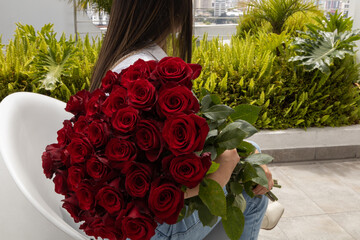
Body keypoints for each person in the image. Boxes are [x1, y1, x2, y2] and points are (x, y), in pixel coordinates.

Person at [89, 1, 273, 239]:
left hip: (125, 219)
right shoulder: (150, 72)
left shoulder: (123, 62)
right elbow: (144, 188)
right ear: (173, 11)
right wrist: (221, 176)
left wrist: (248, 155)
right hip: (151, 227)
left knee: (252, 158)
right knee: (253, 194)